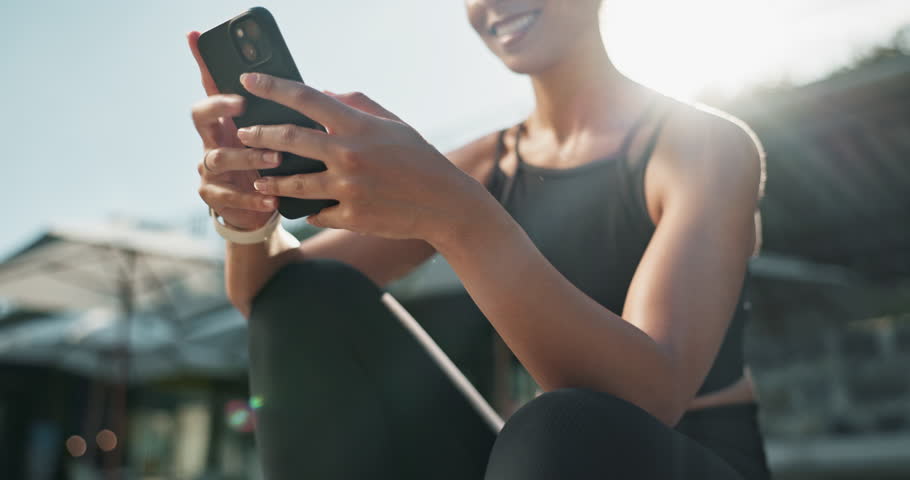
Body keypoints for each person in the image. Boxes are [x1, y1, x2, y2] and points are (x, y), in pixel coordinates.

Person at [187, 0, 770, 478]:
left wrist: (460, 217)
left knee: (560, 425)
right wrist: (250, 213)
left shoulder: (703, 146)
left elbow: (650, 401)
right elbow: (274, 297)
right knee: (308, 297)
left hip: (692, 460)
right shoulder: (487, 165)